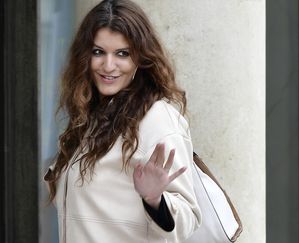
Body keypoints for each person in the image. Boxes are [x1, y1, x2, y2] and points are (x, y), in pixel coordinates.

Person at [43, 0, 201, 242]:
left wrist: (154, 200)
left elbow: (186, 219)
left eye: (122, 54)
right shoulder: (92, 118)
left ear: (141, 58)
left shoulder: (156, 119)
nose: (108, 66)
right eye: (98, 52)